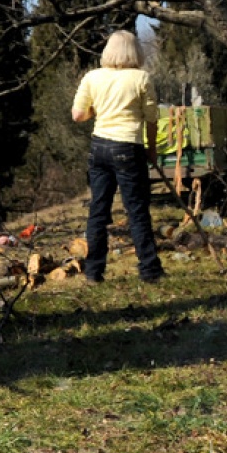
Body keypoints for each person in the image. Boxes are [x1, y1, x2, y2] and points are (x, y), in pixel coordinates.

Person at [72, 29, 165, 283]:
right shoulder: (141, 78)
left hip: (99, 146)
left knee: (98, 211)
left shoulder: (92, 77)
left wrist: (98, 110)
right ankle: (149, 269)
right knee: (136, 210)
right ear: (135, 51)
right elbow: (151, 119)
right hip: (128, 147)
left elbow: (78, 115)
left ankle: (93, 271)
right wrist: (152, 149)